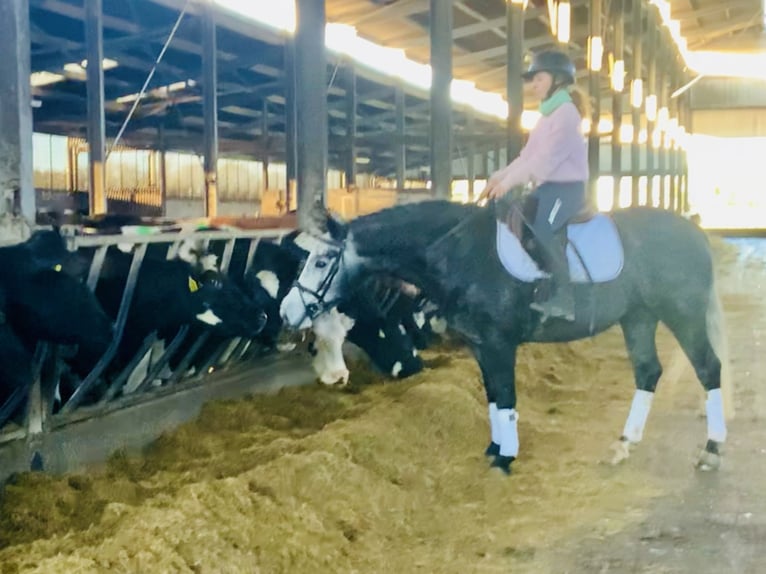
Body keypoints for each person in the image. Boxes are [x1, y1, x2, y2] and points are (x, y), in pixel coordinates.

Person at [483, 50, 589, 322]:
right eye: (533, 80)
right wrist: (499, 177)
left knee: (543, 228)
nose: (534, 85)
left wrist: (507, 184)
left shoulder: (566, 115)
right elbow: (526, 157)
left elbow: (543, 162)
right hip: (547, 188)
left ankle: (565, 298)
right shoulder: (545, 117)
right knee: (515, 218)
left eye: (539, 79)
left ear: (557, 80)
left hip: (566, 190)